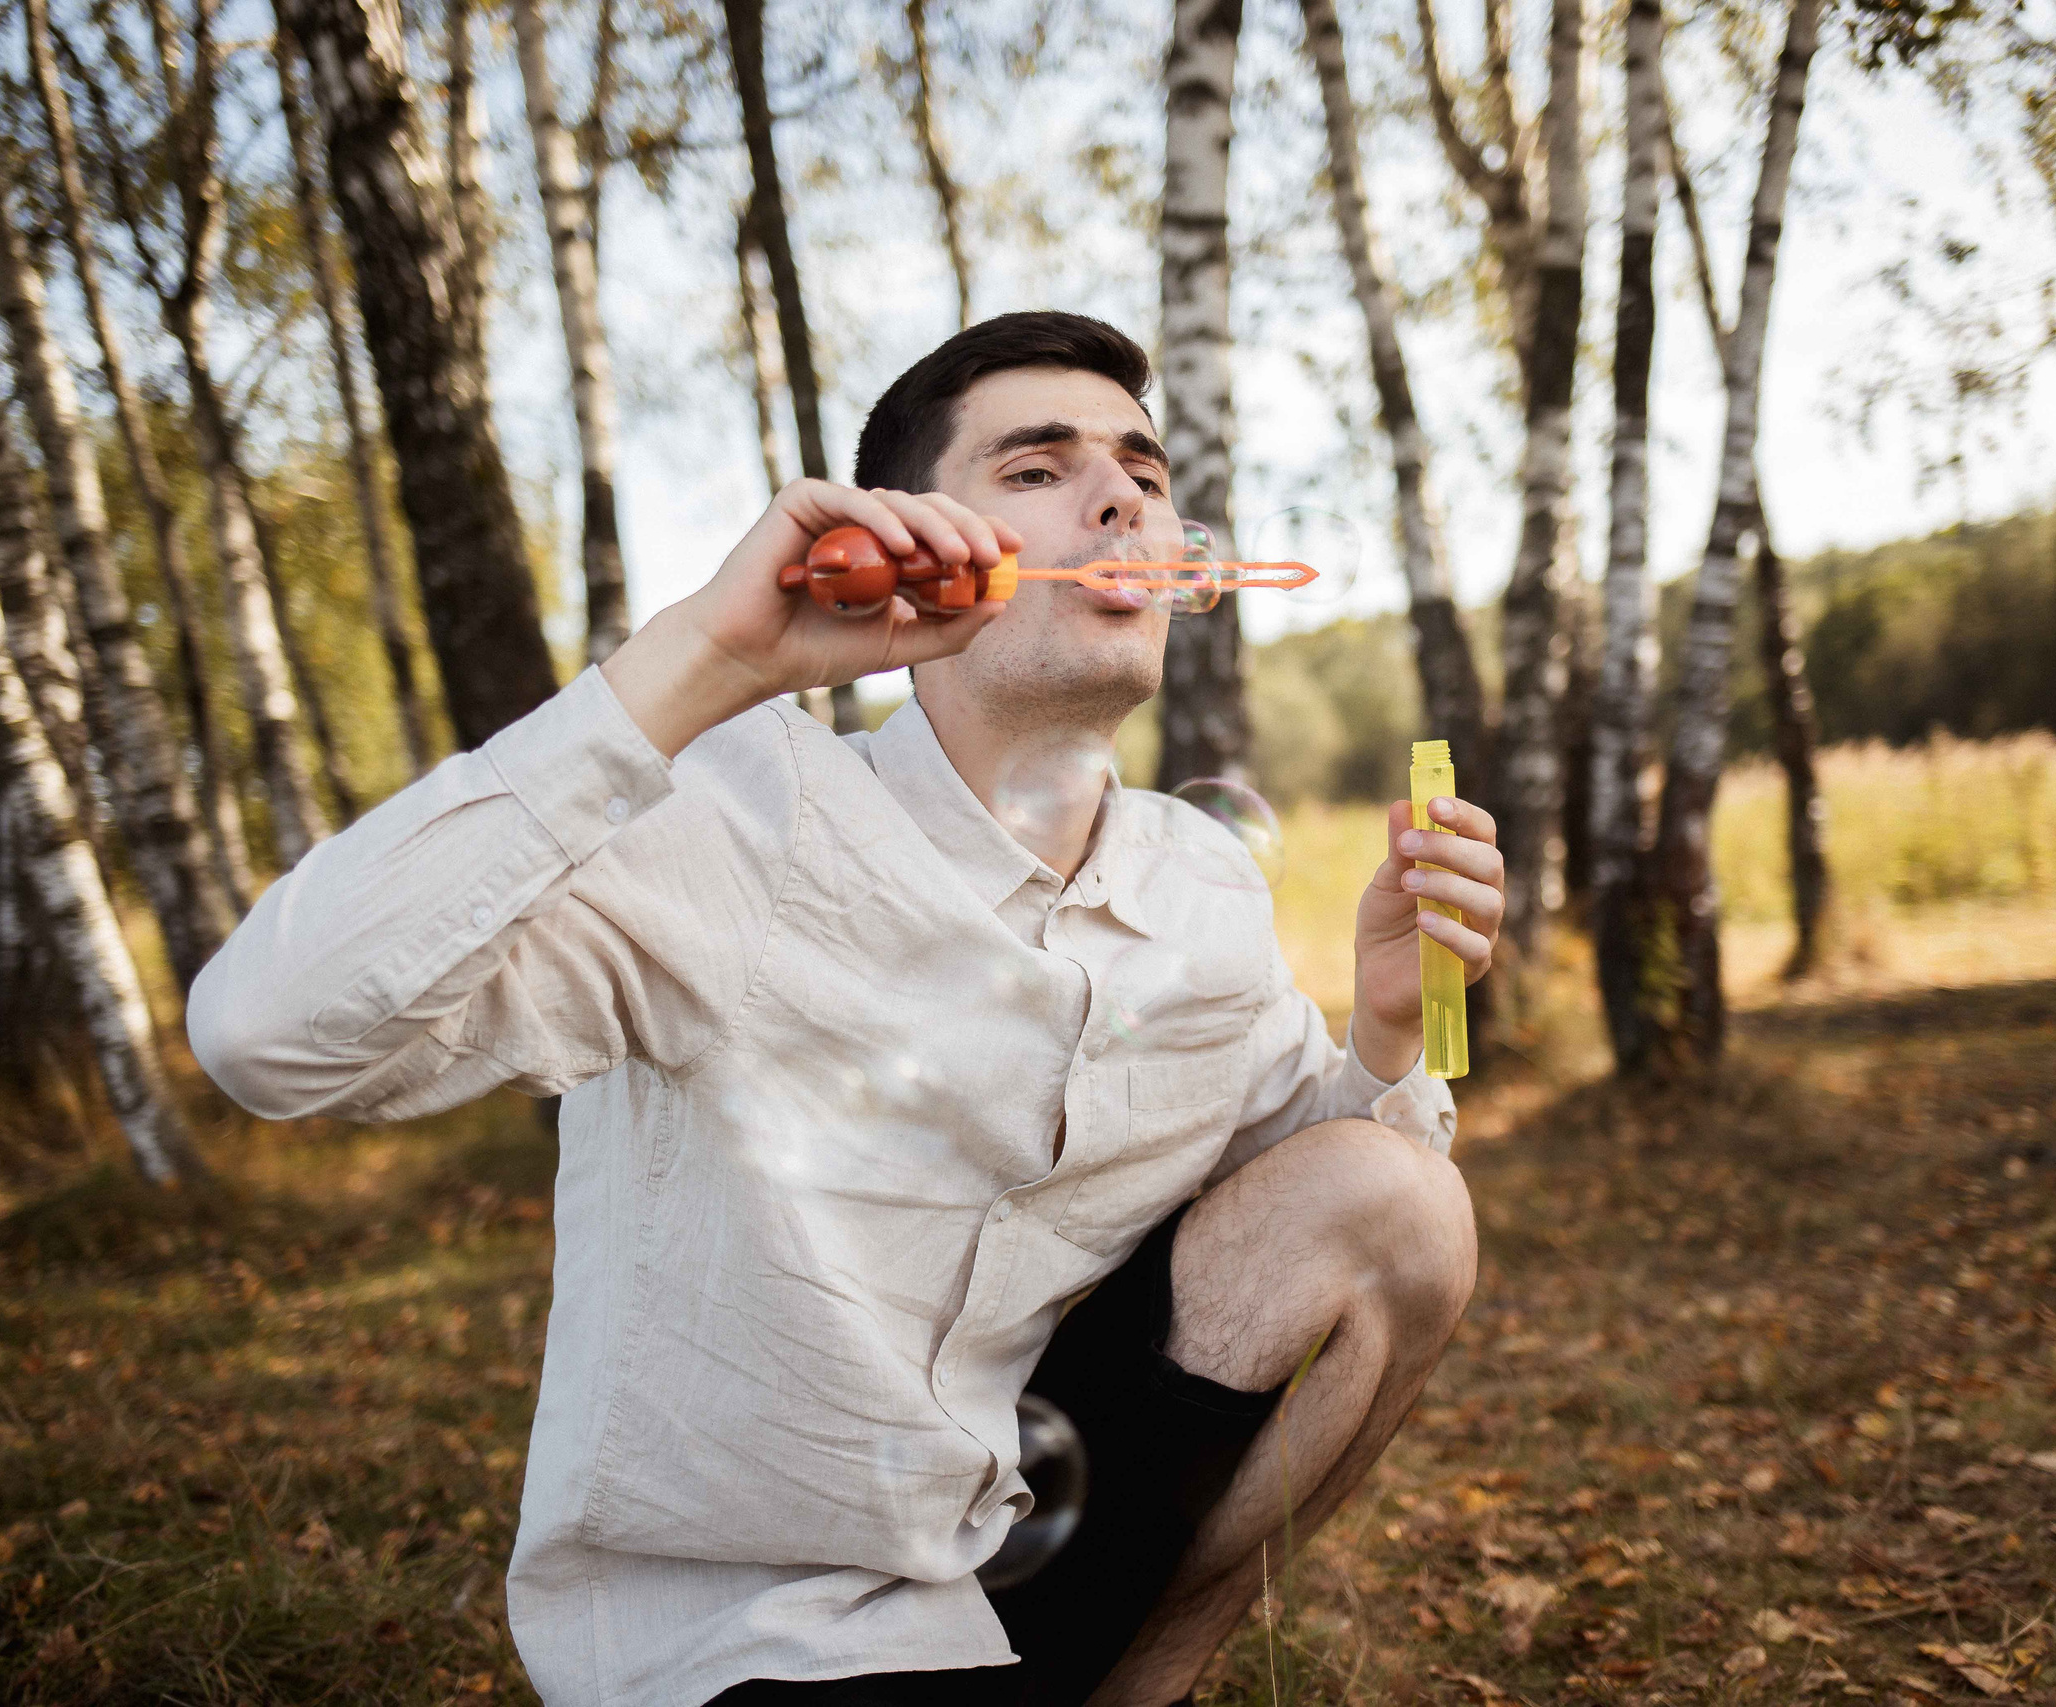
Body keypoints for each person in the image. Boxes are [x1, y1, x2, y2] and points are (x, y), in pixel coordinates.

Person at [189, 311, 1500, 1707]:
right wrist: (709, 656)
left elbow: (1307, 1203)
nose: (1124, 498)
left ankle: (1146, 1688)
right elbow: (270, 1035)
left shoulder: (1197, 883)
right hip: (760, 1645)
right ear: (915, 545)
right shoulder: (738, 816)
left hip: (1023, 1552)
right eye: (1038, 468)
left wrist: (1384, 1028)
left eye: (1144, 472)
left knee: (1401, 1202)